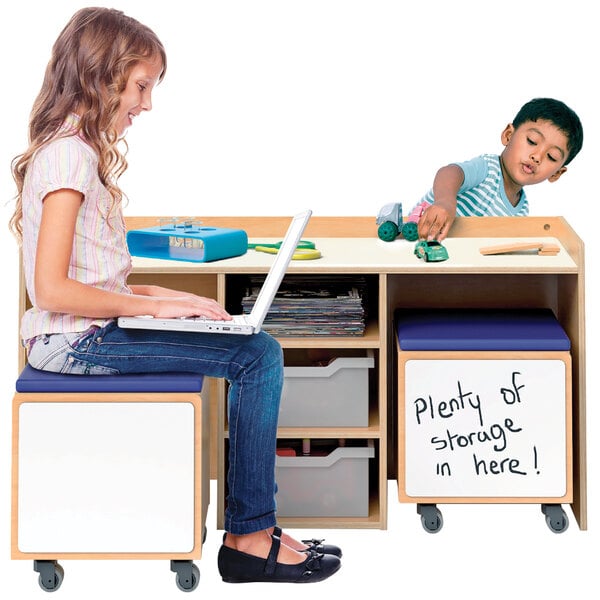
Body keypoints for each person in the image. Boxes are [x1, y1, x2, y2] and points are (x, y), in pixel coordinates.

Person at [9, 7, 341, 584]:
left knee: (248, 344)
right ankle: (250, 537)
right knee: (257, 355)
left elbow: (95, 281)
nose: (146, 104)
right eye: (140, 86)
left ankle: (251, 530)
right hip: (73, 343)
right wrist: (152, 308)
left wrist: (170, 297)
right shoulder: (68, 157)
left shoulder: (75, 151)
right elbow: (52, 288)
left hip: (83, 333)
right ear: (99, 75)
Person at [415, 98, 584, 241]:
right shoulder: (488, 169)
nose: (537, 156)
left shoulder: (522, 210)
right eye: (532, 141)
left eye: (552, 156)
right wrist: (444, 202)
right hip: (420, 238)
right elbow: (450, 172)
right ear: (508, 135)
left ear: (556, 173)